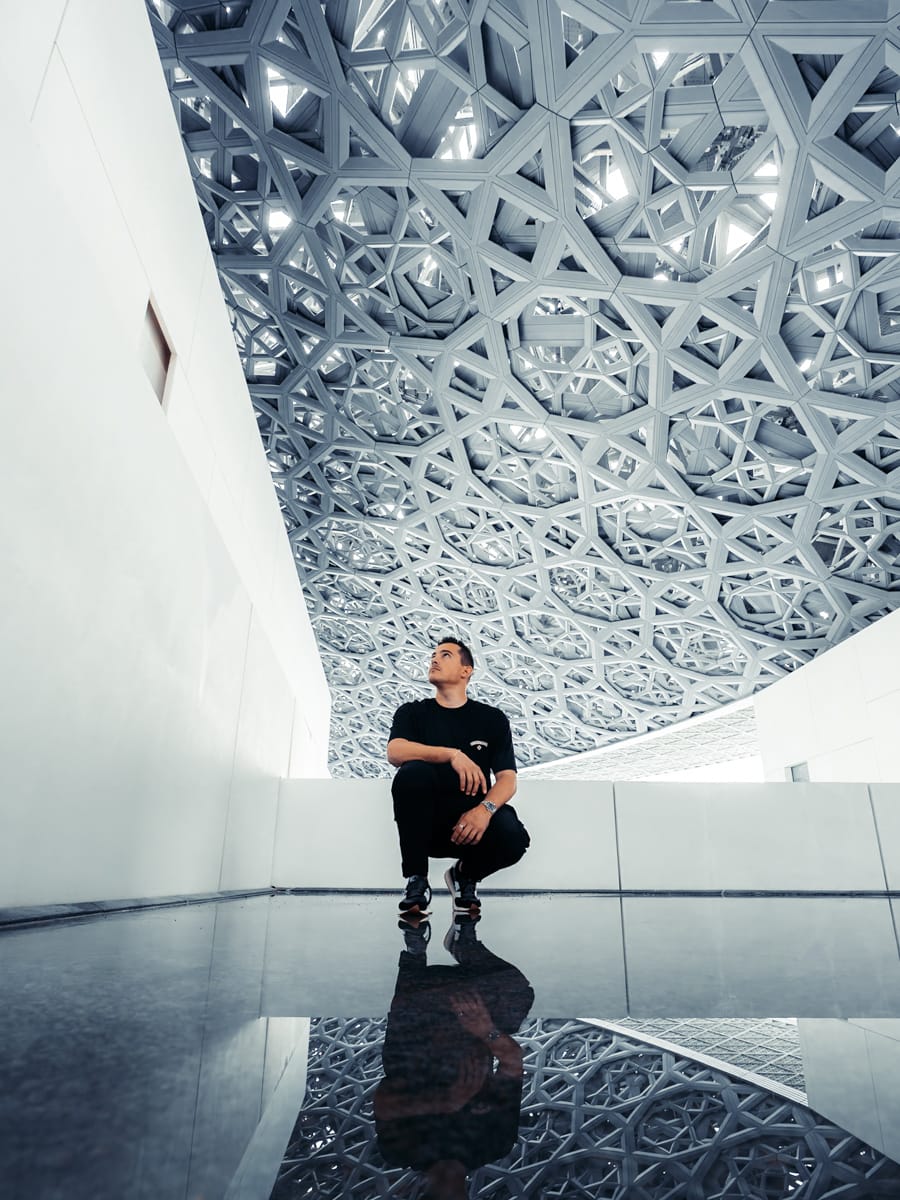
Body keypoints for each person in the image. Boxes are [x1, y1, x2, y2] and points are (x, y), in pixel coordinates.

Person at [374, 916, 534, 1200]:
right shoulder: (493, 1144)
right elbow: (512, 1062)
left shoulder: (400, 1151)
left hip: (420, 1021)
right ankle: (462, 944)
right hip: (469, 1025)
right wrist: (485, 1029)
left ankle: (415, 954)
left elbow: (384, 1099)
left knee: (446, 992)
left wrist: (450, 1100)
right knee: (517, 995)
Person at [387, 638, 530, 917]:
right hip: (425, 826)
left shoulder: (492, 719)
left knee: (514, 836)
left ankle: (465, 876)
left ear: (467, 671)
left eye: (446, 655)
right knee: (412, 773)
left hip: (472, 825)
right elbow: (395, 752)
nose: (434, 660)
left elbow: (507, 779)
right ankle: (416, 880)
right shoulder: (413, 712)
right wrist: (452, 754)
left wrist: (484, 811)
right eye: (433, 655)